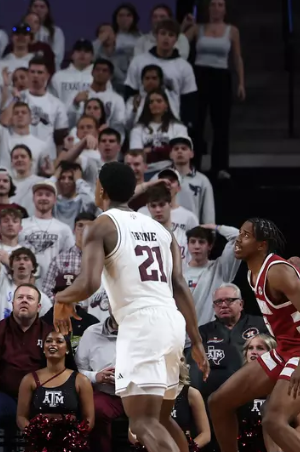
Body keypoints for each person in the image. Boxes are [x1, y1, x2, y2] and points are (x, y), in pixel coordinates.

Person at [53, 161, 208, 452]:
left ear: (101, 189)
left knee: (141, 423)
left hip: (141, 325)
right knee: (160, 418)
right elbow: (180, 285)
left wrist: (61, 297)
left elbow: (88, 283)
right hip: (172, 324)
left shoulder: (102, 224)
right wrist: (196, 340)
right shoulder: (162, 230)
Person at [208, 219, 300, 452]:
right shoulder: (253, 272)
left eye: (246, 235)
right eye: (239, 233)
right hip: (284, 350)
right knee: (218, 402)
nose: (239, 239)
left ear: (262, 245)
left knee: (273, 420)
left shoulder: (277, 272)